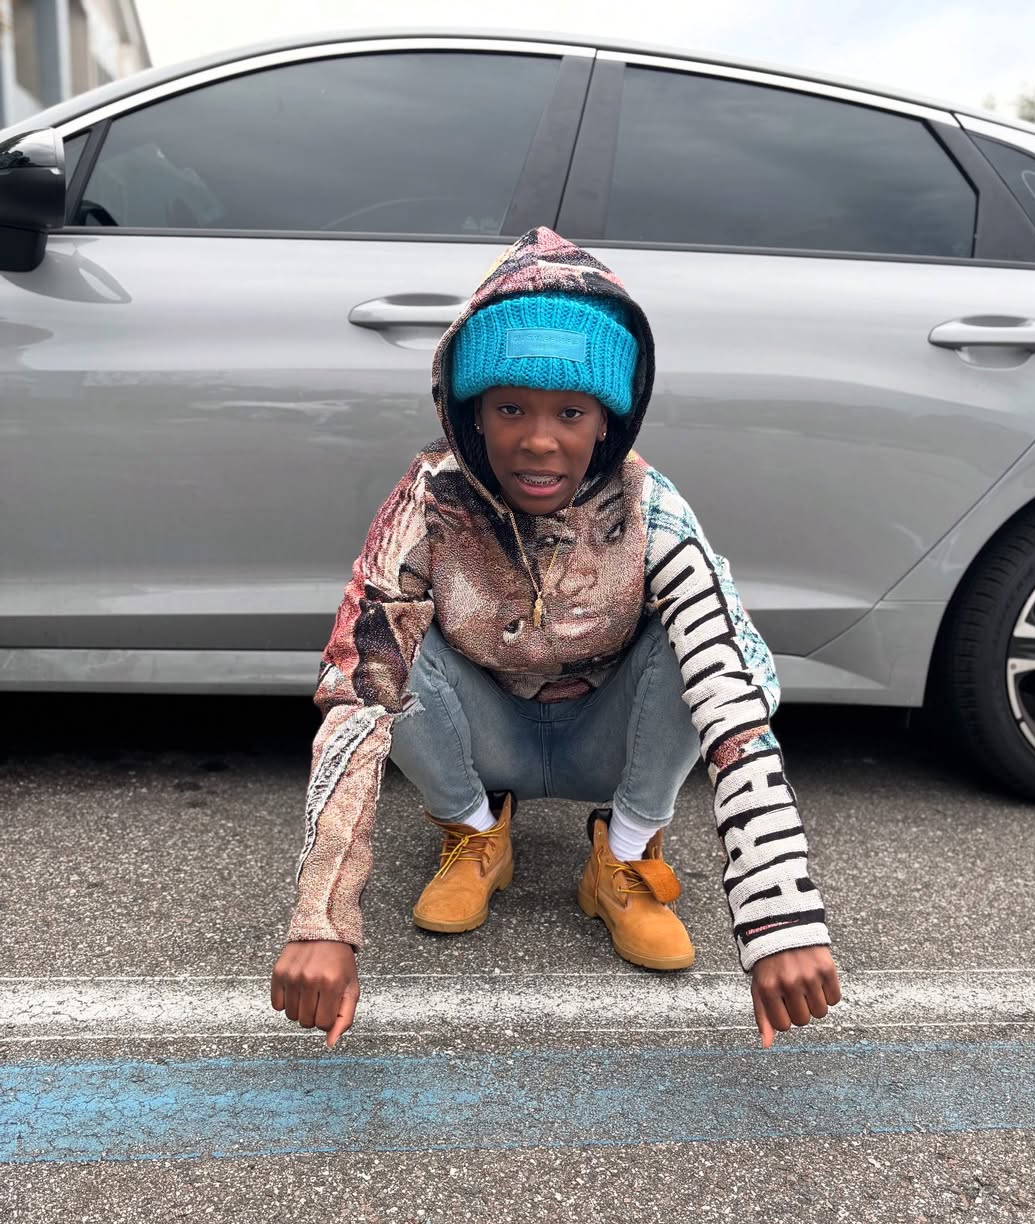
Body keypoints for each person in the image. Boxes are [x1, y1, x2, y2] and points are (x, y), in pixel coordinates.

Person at [270, 228, 841, 1050]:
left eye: (570, 412)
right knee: (386, 648)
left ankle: (625, 853)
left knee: (703, 644)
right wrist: (322, 922)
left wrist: (781, 918)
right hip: (485, 738)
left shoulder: (652, 510)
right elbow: (359, 694)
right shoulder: (430, 501)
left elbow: (733, 697)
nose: (539, 440)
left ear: (607, 421)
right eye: (510, 408)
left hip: (609, 741)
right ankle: (474, 832)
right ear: (471, 411)